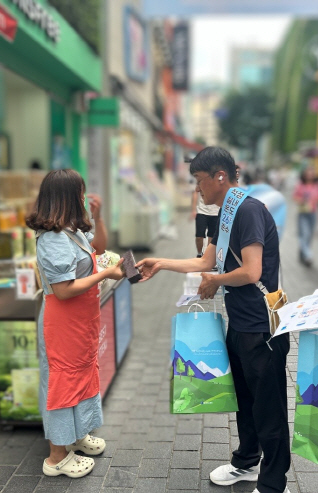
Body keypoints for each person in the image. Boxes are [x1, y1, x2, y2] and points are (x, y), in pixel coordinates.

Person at [137, 147, 291, 493]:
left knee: (269, 409)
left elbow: (251, 271)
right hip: (240, 323)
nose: (197, 190)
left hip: (262, 327)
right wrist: (160, 262)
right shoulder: (226, 213)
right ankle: (247, 463)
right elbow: (207, 260)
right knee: (246, 401)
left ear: (220, 176)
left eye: (199, 181)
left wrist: (217, 281)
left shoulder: (249, 210)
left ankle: (273, 483)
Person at [26, 169, 124, 479]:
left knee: (81, 376)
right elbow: (64, 289)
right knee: (62, 383)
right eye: (79, 194)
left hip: (80, 322)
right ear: (66, 197)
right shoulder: (52, 239)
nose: (83, 198)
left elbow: (98, 249)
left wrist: (99, 216)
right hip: (64, 323)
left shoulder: (70, 229)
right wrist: (106, 274)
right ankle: (57, 456)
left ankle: (77, 436)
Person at [293, 166, 318, 266]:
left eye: (312, 173)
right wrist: (303, 200)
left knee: (309, 235)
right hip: (303, 213)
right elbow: (295, 197)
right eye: (308, 173)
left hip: (313, 213)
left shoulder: (317, 185)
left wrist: (313, 200)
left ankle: (303, 253)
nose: (310, 175)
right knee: (304, 234)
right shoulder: (300, 185)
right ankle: (308, 255)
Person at [191, 189, 220, 257]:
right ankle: (199, 254)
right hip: (201, 211)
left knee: (211, 236)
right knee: (199, 236)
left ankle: (208, 255)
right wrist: (193, 209)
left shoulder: (220, 180)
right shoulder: (202, 179)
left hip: (215, 212)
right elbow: (195, 192)